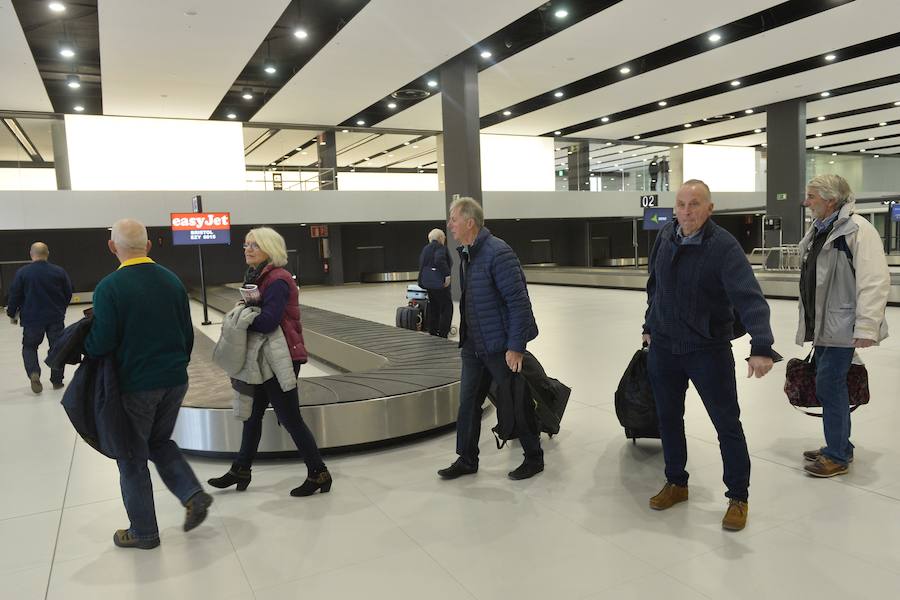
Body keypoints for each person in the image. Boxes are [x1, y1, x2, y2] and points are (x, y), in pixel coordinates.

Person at [642, 179, 778, 532]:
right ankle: (676, 482)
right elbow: (655, 285)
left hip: (707, 350)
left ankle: (738, 497)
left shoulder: (723, 246)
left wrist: (761, 346)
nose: (687, 211)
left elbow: (750, 297)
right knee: (668, 419)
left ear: (710, 208)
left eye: (695, 204)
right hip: (664, 348)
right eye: (681, 204)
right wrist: (649, 325)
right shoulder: (665, 236)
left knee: (726, 424)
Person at [84, 219, 212, 549]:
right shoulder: (171, 281)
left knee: (130, 456)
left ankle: (143, 532)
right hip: (175, 380)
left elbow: (101, 342)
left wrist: (86, 341)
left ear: (112, 247)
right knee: (158, 441)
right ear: (149, 246)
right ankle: (192, 494)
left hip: (135, 385)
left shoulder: (109, 287)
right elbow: (187, 334)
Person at [208, 227, 332, 496]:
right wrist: (247, 312)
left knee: (290, 418)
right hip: (263, 357)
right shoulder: (256, 276)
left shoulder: (277, 279)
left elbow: (267, 321)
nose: (248, 249)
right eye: (246, 245)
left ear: (270, 248)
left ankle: (319, 472)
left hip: (281, 357)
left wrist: (241, 317)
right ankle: (241, 469)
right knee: (252, 415)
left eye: (254, 245)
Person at [437, 197, 544, 481]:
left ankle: (534, 457)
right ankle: (466, 458)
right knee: (468, 403)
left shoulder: (498, 253)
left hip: (499, 346)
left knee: (516, 401)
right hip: (474, 346)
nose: (450, 225)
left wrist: (516, 347)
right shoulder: (468, 254)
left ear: (469, 222)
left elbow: (519, 303)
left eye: (454, 219)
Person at [796, 174, 890, 478]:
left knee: (829, 384)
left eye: (812, 197)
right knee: (829, 383)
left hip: (843, 325)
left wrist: (867, 327)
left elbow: (874, 281)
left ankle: (836, 455)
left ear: (831, 200)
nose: (806, 202)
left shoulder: (858, 229)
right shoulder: (819, 229)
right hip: (824, 325)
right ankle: (839, 446)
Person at [5, 242, 72, 393]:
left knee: (30, 347)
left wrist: (11, 312)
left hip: (31, 319)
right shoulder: (59, 271)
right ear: (47, 253)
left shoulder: (23, 273)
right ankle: (57, 380)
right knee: (57, 347)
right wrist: (61, 308)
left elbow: (15, 294)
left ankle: (34, 373)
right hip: (55, 317)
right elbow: (68, 292)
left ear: (31, 254)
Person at [417, 228, 453, 338]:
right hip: (439, 284)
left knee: (434, 307)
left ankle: (432, 331)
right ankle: (443, 333)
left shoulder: (425, 249)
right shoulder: (440, 247)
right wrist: (447, 275)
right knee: (447, 307)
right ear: (441, 238)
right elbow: (439, 259)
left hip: (428, 283)